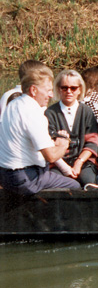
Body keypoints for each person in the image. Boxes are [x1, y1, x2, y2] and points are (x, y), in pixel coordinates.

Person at [0, 66, 81, 195]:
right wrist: (63, 143)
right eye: (48, 90)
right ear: (33, 90)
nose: (51, 95)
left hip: (4, 176)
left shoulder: (13, 105)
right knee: (75, 186)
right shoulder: (34, 112)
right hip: (25, 178)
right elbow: (51, 156)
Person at [45, 70, 98, 187]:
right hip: (58, 163)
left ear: (79, 89)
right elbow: (48, 145)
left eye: (73, 88)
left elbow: (92, 142)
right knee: (58, 185)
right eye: (64, 88)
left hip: (83, 161)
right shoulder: (50, 113)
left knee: (88, 182)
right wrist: (66, 168)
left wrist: (78, 163)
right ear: (58, 89)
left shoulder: (87, 111)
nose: (69, 91)